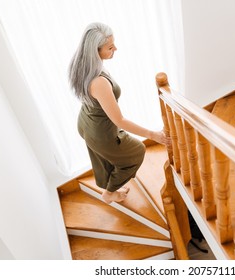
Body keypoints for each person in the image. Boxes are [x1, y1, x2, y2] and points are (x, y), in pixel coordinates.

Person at [68, 22, 169, 204]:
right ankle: (109, 193)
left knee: (106, 155)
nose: (116, 48)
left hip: (86, 122)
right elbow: (119, 120)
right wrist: (152, 135)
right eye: (110, 47)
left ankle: (109, 183)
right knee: (136, 152)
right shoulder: (98, 82)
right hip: (99, 131)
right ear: (95, 51)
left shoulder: (82, 65)